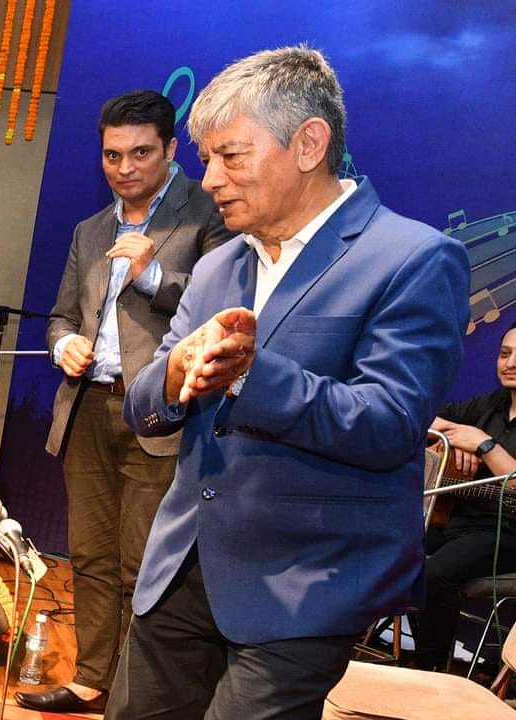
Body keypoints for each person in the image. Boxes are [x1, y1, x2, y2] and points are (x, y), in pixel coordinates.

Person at [106, 46, 471, 719]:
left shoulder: (413, 259)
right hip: (182, 569)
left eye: (231, 156)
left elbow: (390, 424)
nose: (210, 179)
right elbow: (144, 407)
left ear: (309, 144)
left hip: (305, 583)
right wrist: (177, 371)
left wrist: (251, 374)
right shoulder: (218, 267)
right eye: (207, 158)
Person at [16, 91, 232, 714]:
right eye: (112, 155)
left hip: (162, 414)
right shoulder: (90, 230)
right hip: (86, 407)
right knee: (89, 555)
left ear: (170, 149)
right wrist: (63, 345)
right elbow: (60, 316)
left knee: (145, 563)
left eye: (140, 153)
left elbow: (223, 311)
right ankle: (92, 678)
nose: (124, 167)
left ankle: (138, 696)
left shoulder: (207, 214)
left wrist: (153, 276)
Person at [413, 320, 516, 671]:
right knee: (389, 549)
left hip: (506, 532)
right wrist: (455, 437)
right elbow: (420, 420)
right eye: (504, 354)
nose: (510, 363)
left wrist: (485, 445)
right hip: (459, 522)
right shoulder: (489, 405)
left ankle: (429, 672)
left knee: (435, 574)